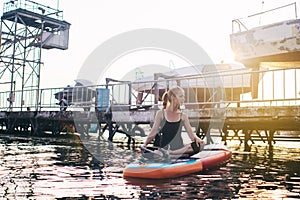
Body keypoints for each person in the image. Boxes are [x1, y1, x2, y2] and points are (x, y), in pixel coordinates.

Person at [142, 86, 204, 157]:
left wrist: (198, 139)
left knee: (201, 145)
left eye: (183, 97)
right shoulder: (161, 113)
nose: (183, 99)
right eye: (181, 96)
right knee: (156, 153)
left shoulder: (183, 116)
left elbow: (192, 136)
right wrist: (145, 144)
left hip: (177, 149)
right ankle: (172, 155)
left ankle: (171, 154)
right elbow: (153, 131)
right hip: (162, 148)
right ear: (172, 97)